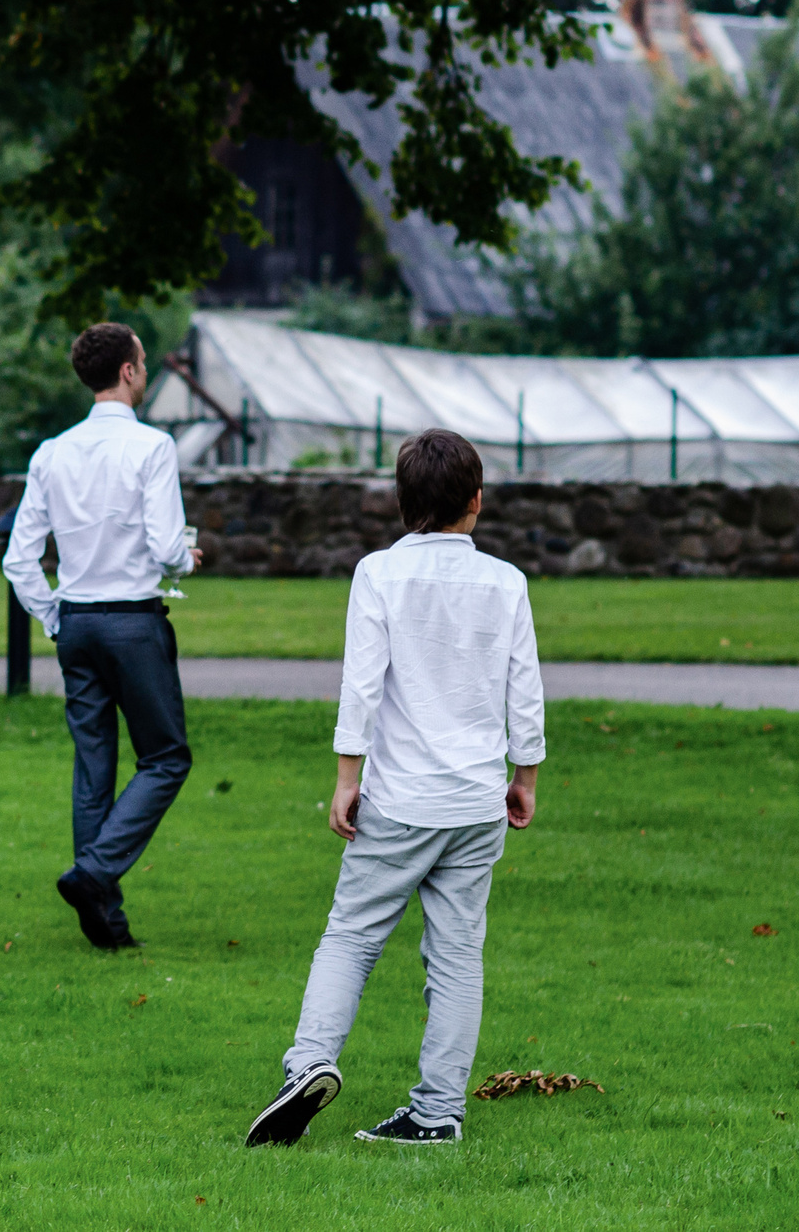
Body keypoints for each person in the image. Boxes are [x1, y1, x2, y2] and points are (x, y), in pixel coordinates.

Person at [246, 429, 545, 1148]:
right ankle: (438, 1110)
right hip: (477, 801)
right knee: (457, 953)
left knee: (350, 935)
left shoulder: (377, 574)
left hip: (400, 798)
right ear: (476, 501)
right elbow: (525, 688)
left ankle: (308, 1063)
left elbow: (362, 684)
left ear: (402, 501)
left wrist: (346, 777)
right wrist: (524, 775)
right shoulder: (507, 581)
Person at [2, 321, 199, 952]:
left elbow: (18, 559)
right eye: (143, 361)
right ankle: (93, 874)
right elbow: (168, 545)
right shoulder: (152, 446)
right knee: (166, 758)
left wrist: (53, 615)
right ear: (130, 371)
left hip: (77, 624)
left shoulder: (52, 451)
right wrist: (188, 560)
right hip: (134, 623)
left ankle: (105, 924)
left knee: (94, 771)